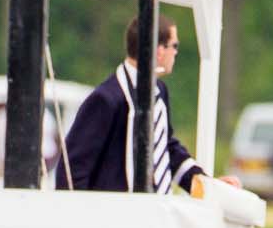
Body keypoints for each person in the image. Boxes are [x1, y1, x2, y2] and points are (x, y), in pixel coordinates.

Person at [55, 15, 238, 194]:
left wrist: (207, 186)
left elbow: (166, 149)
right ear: (159, 50)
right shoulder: (107, 99)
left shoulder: (160, 91)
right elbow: (72, 170)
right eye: (174, 46)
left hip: (152, 215)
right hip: (113, 218)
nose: (175, 52)